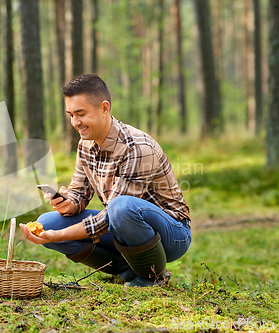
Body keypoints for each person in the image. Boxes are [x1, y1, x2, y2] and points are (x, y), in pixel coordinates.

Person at [19, 74, 192, 287]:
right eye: (71, 115)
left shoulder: (136, 148)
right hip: (121, 223)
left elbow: (112, 214)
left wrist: (59, 235)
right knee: (47, 222)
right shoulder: (85, 145)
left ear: (104, 108)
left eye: (81, 114)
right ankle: (127, 270)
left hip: (172, 234)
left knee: (121, 207)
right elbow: (79, 194)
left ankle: (152, 277)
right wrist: (67, 202)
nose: (75, 123)